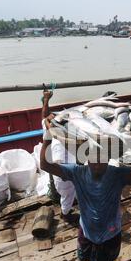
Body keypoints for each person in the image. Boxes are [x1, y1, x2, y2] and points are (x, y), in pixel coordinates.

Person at [40, 108, 131, 261]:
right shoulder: (77, 172)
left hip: (111, 231)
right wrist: (48, 135)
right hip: (87, 230)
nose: (97, 163)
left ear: (109, 158)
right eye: (93, 158)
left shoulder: (117, 174)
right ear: (85, 158)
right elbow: (45, 165)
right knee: (86, 257)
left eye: (102, 158)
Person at [41, 90, 78, 224]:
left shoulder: (48, 131)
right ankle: (65, 214)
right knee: (67, 194)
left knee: (68, 194)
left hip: (63, 170)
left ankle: (67, 208)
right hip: (64, 173)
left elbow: (44, 117)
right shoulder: (63, 139)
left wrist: (46, 100)